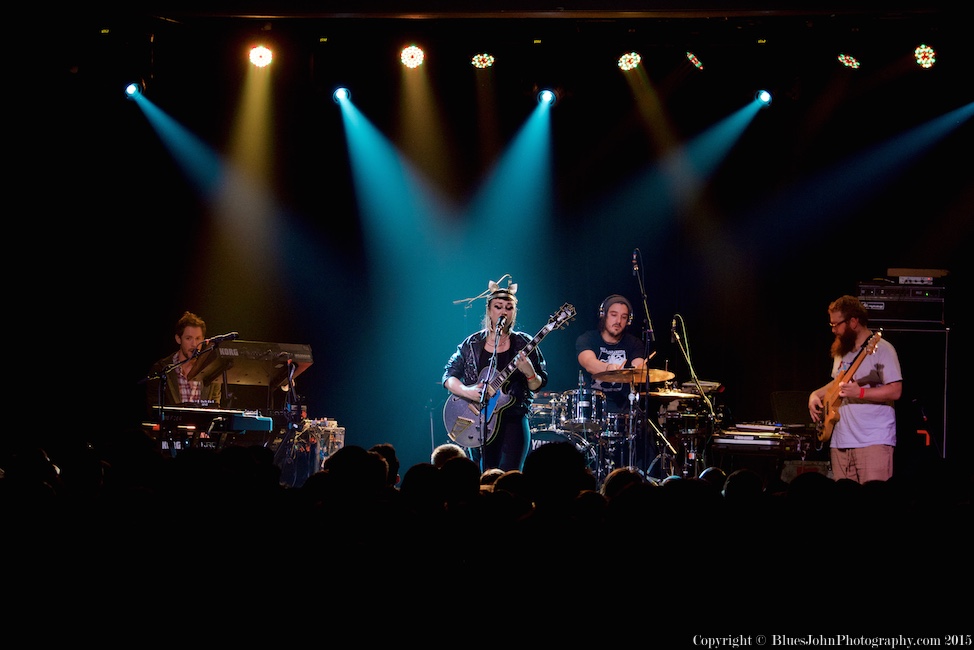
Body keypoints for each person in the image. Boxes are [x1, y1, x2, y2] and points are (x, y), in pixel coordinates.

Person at [442, 277, 548, 472]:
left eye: (509, 308)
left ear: (514, 312)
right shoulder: (472, 343)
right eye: (498, 307)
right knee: (482, 475)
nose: (503, 312)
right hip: (478, 420)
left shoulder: (523, 343)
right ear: (489, 311)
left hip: (513, 420)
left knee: (510, 475)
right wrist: (467, 391)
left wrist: (530, 374)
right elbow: (449, 376)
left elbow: (538, 384)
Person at [808, 295, 903, 483]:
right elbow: (836, 383)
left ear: (853, 321)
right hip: (841, 441)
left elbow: (895, 390)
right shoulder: (841, 350)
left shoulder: (882, 349)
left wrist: (859, 392)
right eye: (831, 325)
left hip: (872, 441)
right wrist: (815, 395)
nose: (833, 330)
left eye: (837, 324)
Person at [575, 294, 649, 476]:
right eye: (614, 315)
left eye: (624, 317)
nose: (619, 321)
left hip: (623, 411)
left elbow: (641, 369)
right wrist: (610, 368)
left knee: (647, 435)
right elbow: (589, 363)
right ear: (604, 315)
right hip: (593, 412)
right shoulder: (588, 339)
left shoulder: (633, 343)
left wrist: (639, 369)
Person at [145, 311, 222, 413]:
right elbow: (154, 409)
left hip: (202, 428)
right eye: (188, 338)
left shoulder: (211, 370)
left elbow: (215, 407)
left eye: (198, 338)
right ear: (178, 339)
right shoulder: (161, 369)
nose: (194, 344)